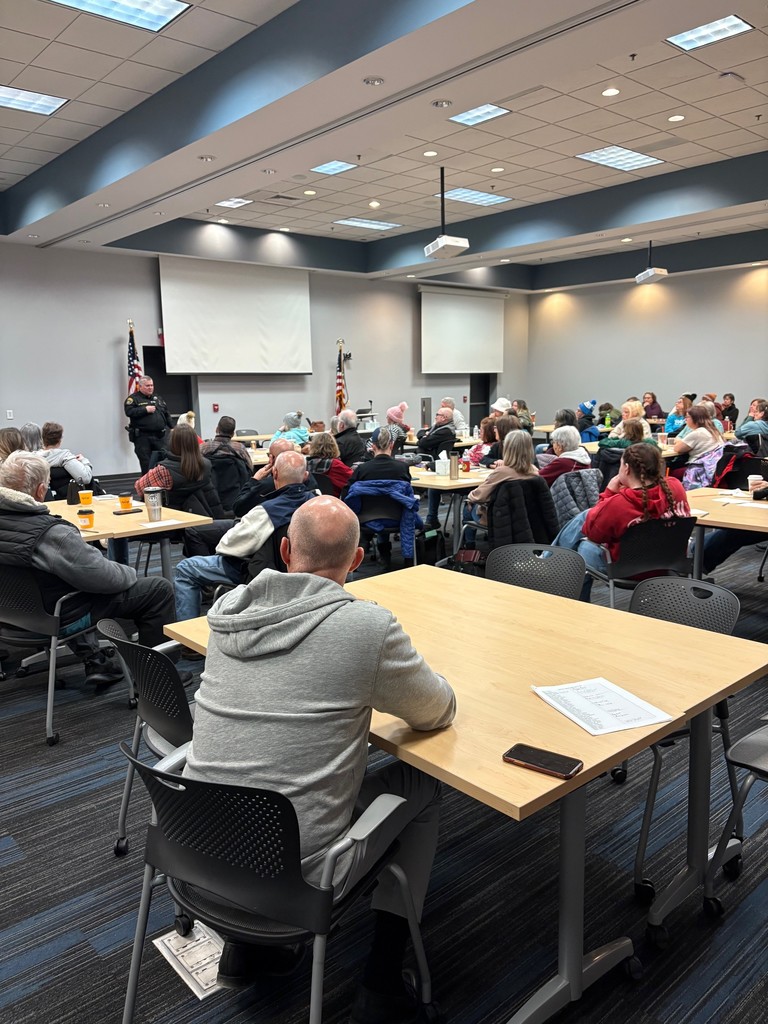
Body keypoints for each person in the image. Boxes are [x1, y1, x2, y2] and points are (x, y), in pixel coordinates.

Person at [183, 496, 456, 1019]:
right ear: (356, 562)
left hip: (193, 844)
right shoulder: (366, 628)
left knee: (257, 761)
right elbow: (435, 711)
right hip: (297, 876)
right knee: (422, 786)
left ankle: (247, 949)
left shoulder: (227, 614)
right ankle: (381, 980)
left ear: (284, 551)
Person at [0, 451, 176, 685]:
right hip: (57, 618)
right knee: (157, 589)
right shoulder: (53, 535)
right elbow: (106, 579)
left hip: (11, 617)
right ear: (42, 490)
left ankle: (95, 658)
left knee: (64, 579)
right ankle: (158, 680)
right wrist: (128, 571)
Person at [173, 451, 314, 620]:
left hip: (258, 572)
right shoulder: (318, 504)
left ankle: (187, 634)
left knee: (185, 569)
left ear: (274, 473)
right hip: (304, 573)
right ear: (305, 476)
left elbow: (228, 546)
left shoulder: (267, 511)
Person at [552, 444, 690, 600]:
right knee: (586, 515)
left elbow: (592, 533)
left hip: (628, 570)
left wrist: (609, 493)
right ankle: (549, 557)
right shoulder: (675, 487)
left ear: (626, 468)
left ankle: (572, 596)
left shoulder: (619, 504)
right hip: (670, 563)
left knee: (583, 545)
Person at [135, 425, 227, 518]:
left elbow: (139, 488)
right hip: (202, 517)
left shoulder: (164, 470)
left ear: (172, 443)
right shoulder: (206, 465)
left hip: (172, 521)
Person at [463, 431, 539, 537]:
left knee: (468, 505)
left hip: (500, 518)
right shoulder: (535, 471)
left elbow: (478, 496)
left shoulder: (502, 472)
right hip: (527, 518)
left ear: (507, 449)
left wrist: (470, 497)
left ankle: (468, 546)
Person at [124, 375, 172, 473]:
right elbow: (129, 412)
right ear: (140, 386)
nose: (150, 387)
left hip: (159, 437)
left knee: (163, 460)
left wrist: (172, 427)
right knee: (146, 463)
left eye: (151, 385)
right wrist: (144, 409)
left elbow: (166, 414)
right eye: (147, 386)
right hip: (143, 438)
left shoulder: (157, 398)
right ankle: (147, 486)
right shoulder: (133, 399)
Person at [419, 407, 456, 527]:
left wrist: (425, 437)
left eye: (437, 414)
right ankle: (431, 518)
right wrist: (425, 435)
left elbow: (423, 442)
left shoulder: (445, 431)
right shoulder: (437, 427)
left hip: (436, 463)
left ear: (444, 418)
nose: (435, 416)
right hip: (431, 461)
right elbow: (420, 433)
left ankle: (431, 519)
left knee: (432, 488)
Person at [670, 405, 724, 485]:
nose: (685, 419)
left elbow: (677, 449)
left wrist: (678, 441)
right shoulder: (714, 431)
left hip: (699, 470)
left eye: (687, 417)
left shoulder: (698, 433)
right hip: (712, 469)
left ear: (695, 419)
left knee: (671, 471)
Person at [39, 421, 95, 491]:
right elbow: (86, 478)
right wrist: (84, 461)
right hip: (67, 499)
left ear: (43, 439)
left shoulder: (33, 458)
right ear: (59, 440)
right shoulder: (65, 457)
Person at [306, 431, 353, 496]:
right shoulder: (335, 465)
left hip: (312, 501)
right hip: (335, 501)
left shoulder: (306, 465)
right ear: (334, 446)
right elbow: (353, 479)